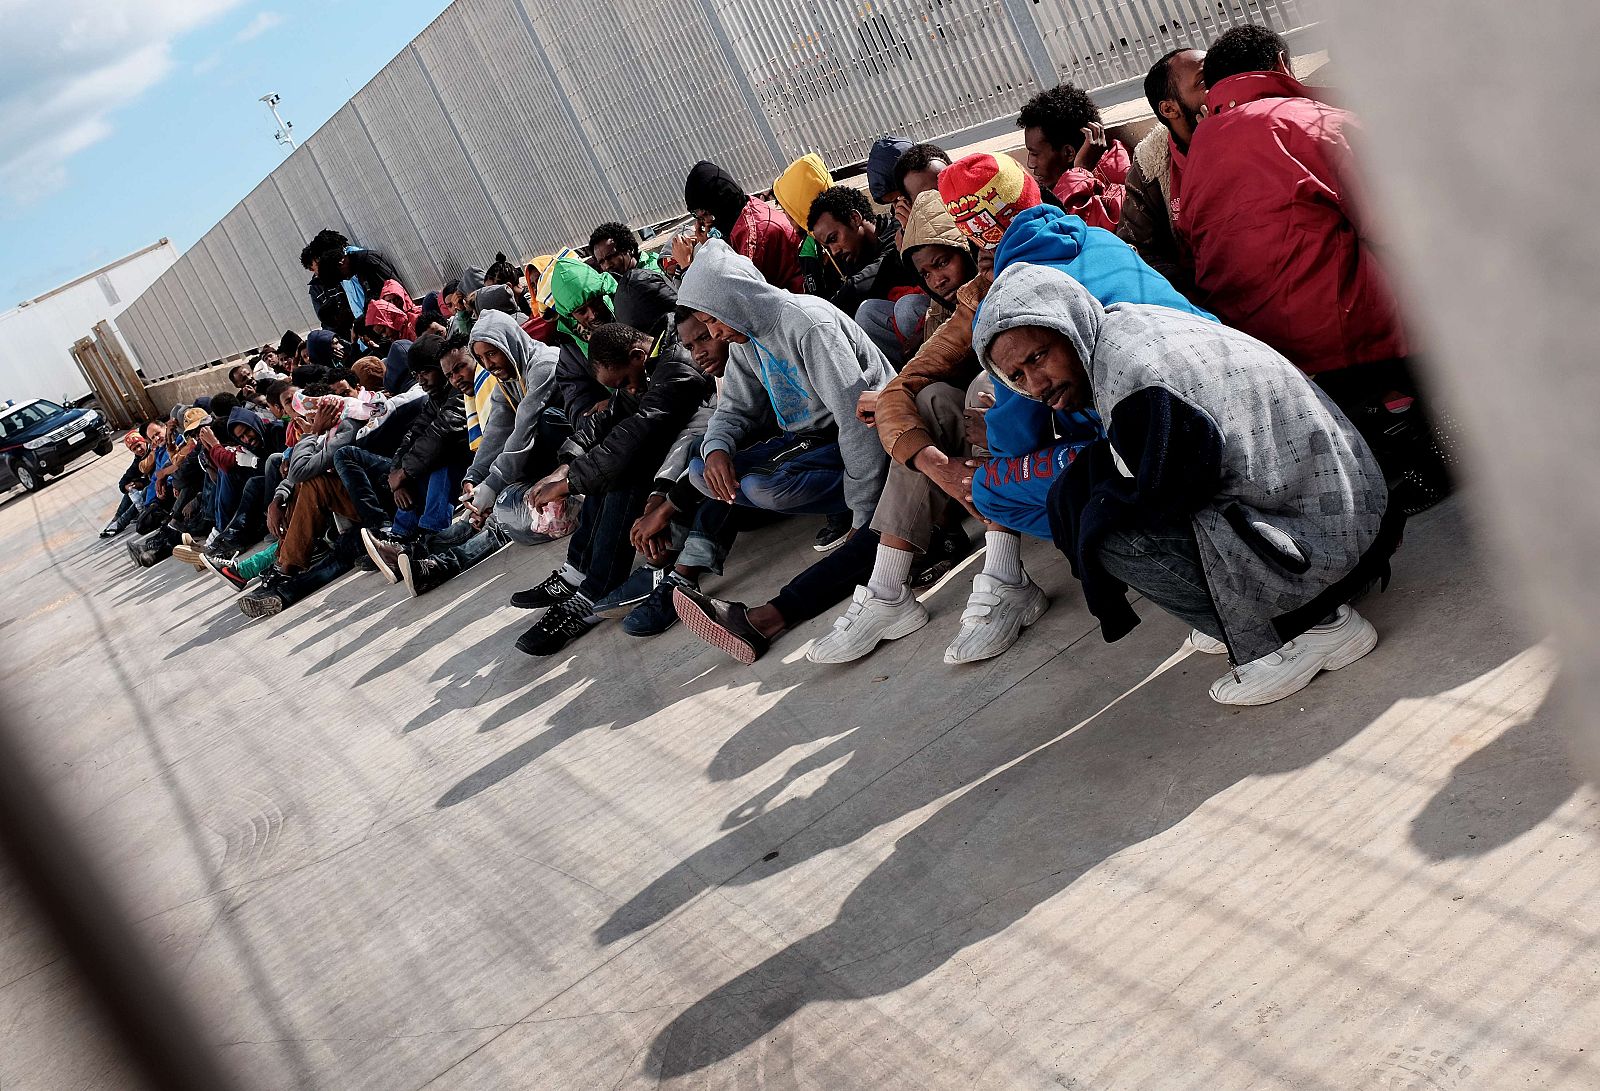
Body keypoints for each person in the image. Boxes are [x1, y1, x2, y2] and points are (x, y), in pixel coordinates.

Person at [973, 260, 1403, 705]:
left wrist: (1104, 508)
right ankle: (1254, 616)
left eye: (1038, 357)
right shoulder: (1121, 328)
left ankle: (1310, 629)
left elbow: (1174, 498)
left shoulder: (1134, 378)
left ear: (1066, 325)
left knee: (1110, 535)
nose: (1036, 384)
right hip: (1354, 514)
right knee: (1079, 487)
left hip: (1337, 540)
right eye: (1016, 376)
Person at [1177, 24, 1418, 477]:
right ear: (1282, 66)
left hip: (1261, 352)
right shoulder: (1317, 121)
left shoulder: (1198, 150)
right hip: (1352, 340)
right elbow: (1401, 224)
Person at [666, 240, 895, 664]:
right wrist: (716, 448)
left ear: (736, 299)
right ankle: (761, 620)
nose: (714, 335)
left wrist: (863, 512)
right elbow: (734, 408)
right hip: (811, 444)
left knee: (869, 538)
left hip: (872, 441)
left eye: (712, 321)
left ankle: (764, 618)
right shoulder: (746, 338)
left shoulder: (808, 325)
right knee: (702, 470)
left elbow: (857, 423)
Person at [500, 321, 715, 655]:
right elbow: (612, 415)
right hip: (678, 460)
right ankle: (578, 571)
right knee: (605, 461)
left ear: (637, 356)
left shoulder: (676, 368)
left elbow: (639, 433)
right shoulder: (645, 366)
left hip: (701, 466)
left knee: (624, 468)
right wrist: (566, 464)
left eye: (625, 381)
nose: (628, 389)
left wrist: (569, 483)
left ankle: (593, 593)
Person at [333, 333, 468, 552]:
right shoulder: (435, 398)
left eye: (426, 372)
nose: (421, 381)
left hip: (472, 462)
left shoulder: (459, 391)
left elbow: (440, 435)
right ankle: (400, 536)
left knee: (438, 458)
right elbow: (413, 436)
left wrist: (403, 474)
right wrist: (397, 475)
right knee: (416, 462)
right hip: (437, 465)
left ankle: (431, 535)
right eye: (416, 374)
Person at [1117, 48, 1206, 296]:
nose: (1218, 85)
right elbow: (1136, 251)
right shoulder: (1150, 166)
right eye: (1203, 81)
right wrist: (1193, 294)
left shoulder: (1249, 129)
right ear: (1169, 109)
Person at [806, 185, 927, 366]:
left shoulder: (898, 233)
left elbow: (866, 281)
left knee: (904, 309)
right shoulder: (849, 258)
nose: (834, 250)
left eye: (833, 238)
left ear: (855, 218)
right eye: (827, 247)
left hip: (933, 316)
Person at [1016, 83, 1130, 230]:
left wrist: (1080, 171)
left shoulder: (1121, 179)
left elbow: (1074, 230)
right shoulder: (1061, 185)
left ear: (1069, 153)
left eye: (1035, 154)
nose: (1030, 164)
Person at [679, 161, 803, 291]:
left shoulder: (754, 238)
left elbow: (736, 294)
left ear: (717, 204)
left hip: (797, 294)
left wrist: (687, 266)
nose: (704, 221)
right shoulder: (746, 205)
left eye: (703, 213)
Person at [547, 256, 618, 423]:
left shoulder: (628, 305)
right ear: (570, 315)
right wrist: (600, 414)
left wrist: (620, 401)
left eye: (595, 302)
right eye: (582, 311)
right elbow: (578, 404)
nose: (593, 315)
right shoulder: (570, 352)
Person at [299, 229, 403, 340]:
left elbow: (389, 294)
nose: (346, 279)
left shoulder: (365, 262)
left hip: (395, 326)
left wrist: (365, 320)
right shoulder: (351, 267)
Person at [587, 222, 677, 335]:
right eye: (601, 262)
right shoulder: (613, 285)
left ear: (628, 249)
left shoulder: (655, 272)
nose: (607, 265)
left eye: (611, 257)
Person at [772, 154, 841, 299]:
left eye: (787, 209)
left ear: (800, 207)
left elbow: (817, 297)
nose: (787, 216)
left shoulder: (810, 246)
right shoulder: (851, 219)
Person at [100, 429, 152, 537]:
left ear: (144, 441)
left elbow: (157, 475)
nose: (139, 450)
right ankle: (116, 519)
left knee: (145, 490)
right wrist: (128, 486)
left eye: (139, 445)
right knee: (130, 489)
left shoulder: (154, 451)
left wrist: (141, 484)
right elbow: (124, 480)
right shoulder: (138, 460)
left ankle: (120, 523)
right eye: (134, 449)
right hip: (153, 484)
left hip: (160, 485)